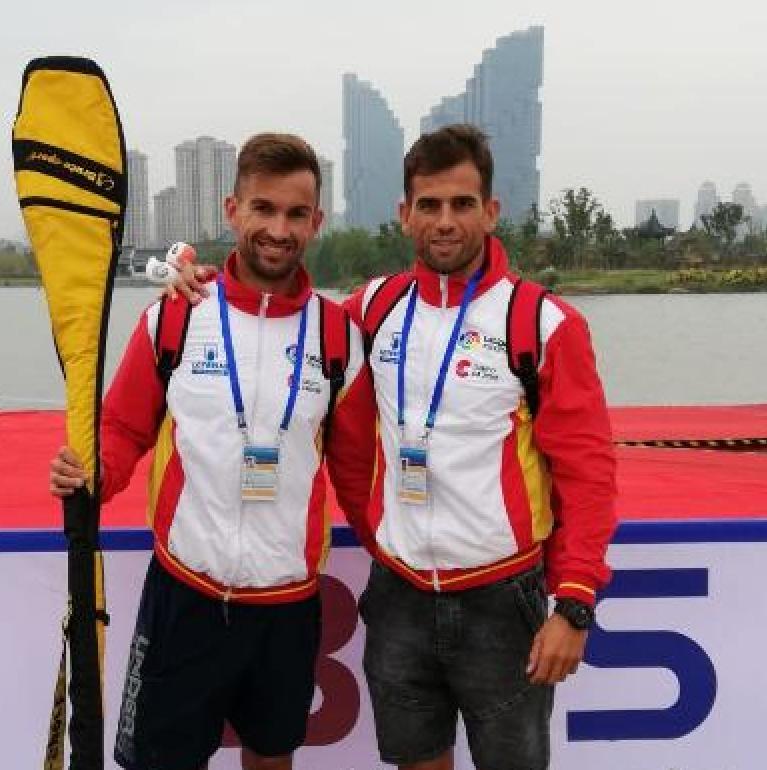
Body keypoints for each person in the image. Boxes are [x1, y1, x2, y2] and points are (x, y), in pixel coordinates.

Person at [159, 124, 617, 770]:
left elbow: (590, 475)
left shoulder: (542, 324)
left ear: (491, 210)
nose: (446, 221)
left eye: (462, 204)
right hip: (398, 595)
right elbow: (279, 306)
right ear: (405, 216)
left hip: (501, 600)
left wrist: (573, 603)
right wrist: (200, 280)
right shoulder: (372, 309)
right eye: (428, 205)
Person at [49, 133, 375, 770]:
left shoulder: (340, 338)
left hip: (287, 603)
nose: (277, 229)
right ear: (233, 210)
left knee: (271, 757)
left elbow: (359, 471)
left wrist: (400, 560)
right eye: (263, 209)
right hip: (186, 596)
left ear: (317, 221)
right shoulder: (175, 317)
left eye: (295, 214)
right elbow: (121, 427)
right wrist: (92, 471)